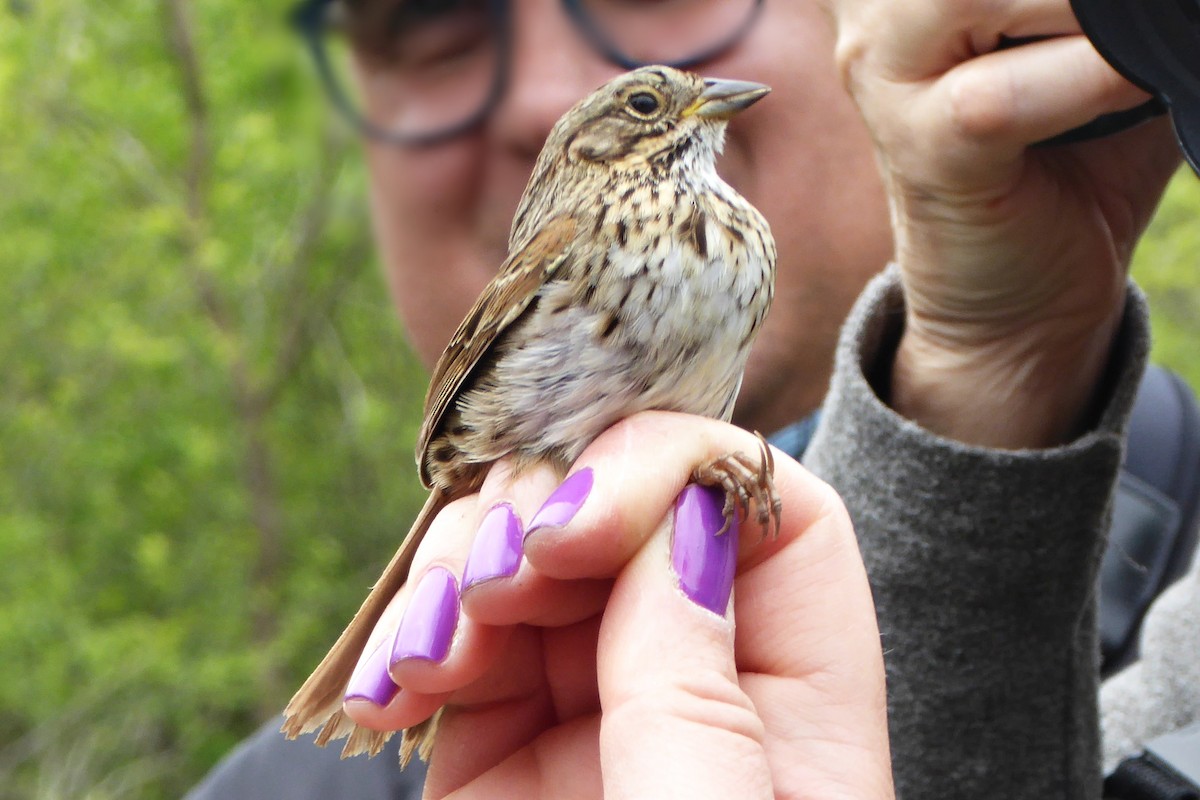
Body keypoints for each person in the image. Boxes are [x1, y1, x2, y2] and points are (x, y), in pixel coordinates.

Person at [187, 0, 1198, 797]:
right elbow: (472, 375)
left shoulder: (748, 237)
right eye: (423, 16)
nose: (539, 89)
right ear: (591, 145)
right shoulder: (570, 232)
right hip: (512, 465)